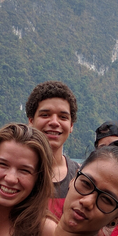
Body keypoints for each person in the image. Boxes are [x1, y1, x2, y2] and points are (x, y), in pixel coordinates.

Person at [25, 81, 80, 219]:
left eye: (63, 117)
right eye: (45, 115)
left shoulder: (80, 177)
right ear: (31, 121)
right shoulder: (13, 174)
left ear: (71, 125)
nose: (54, 122)